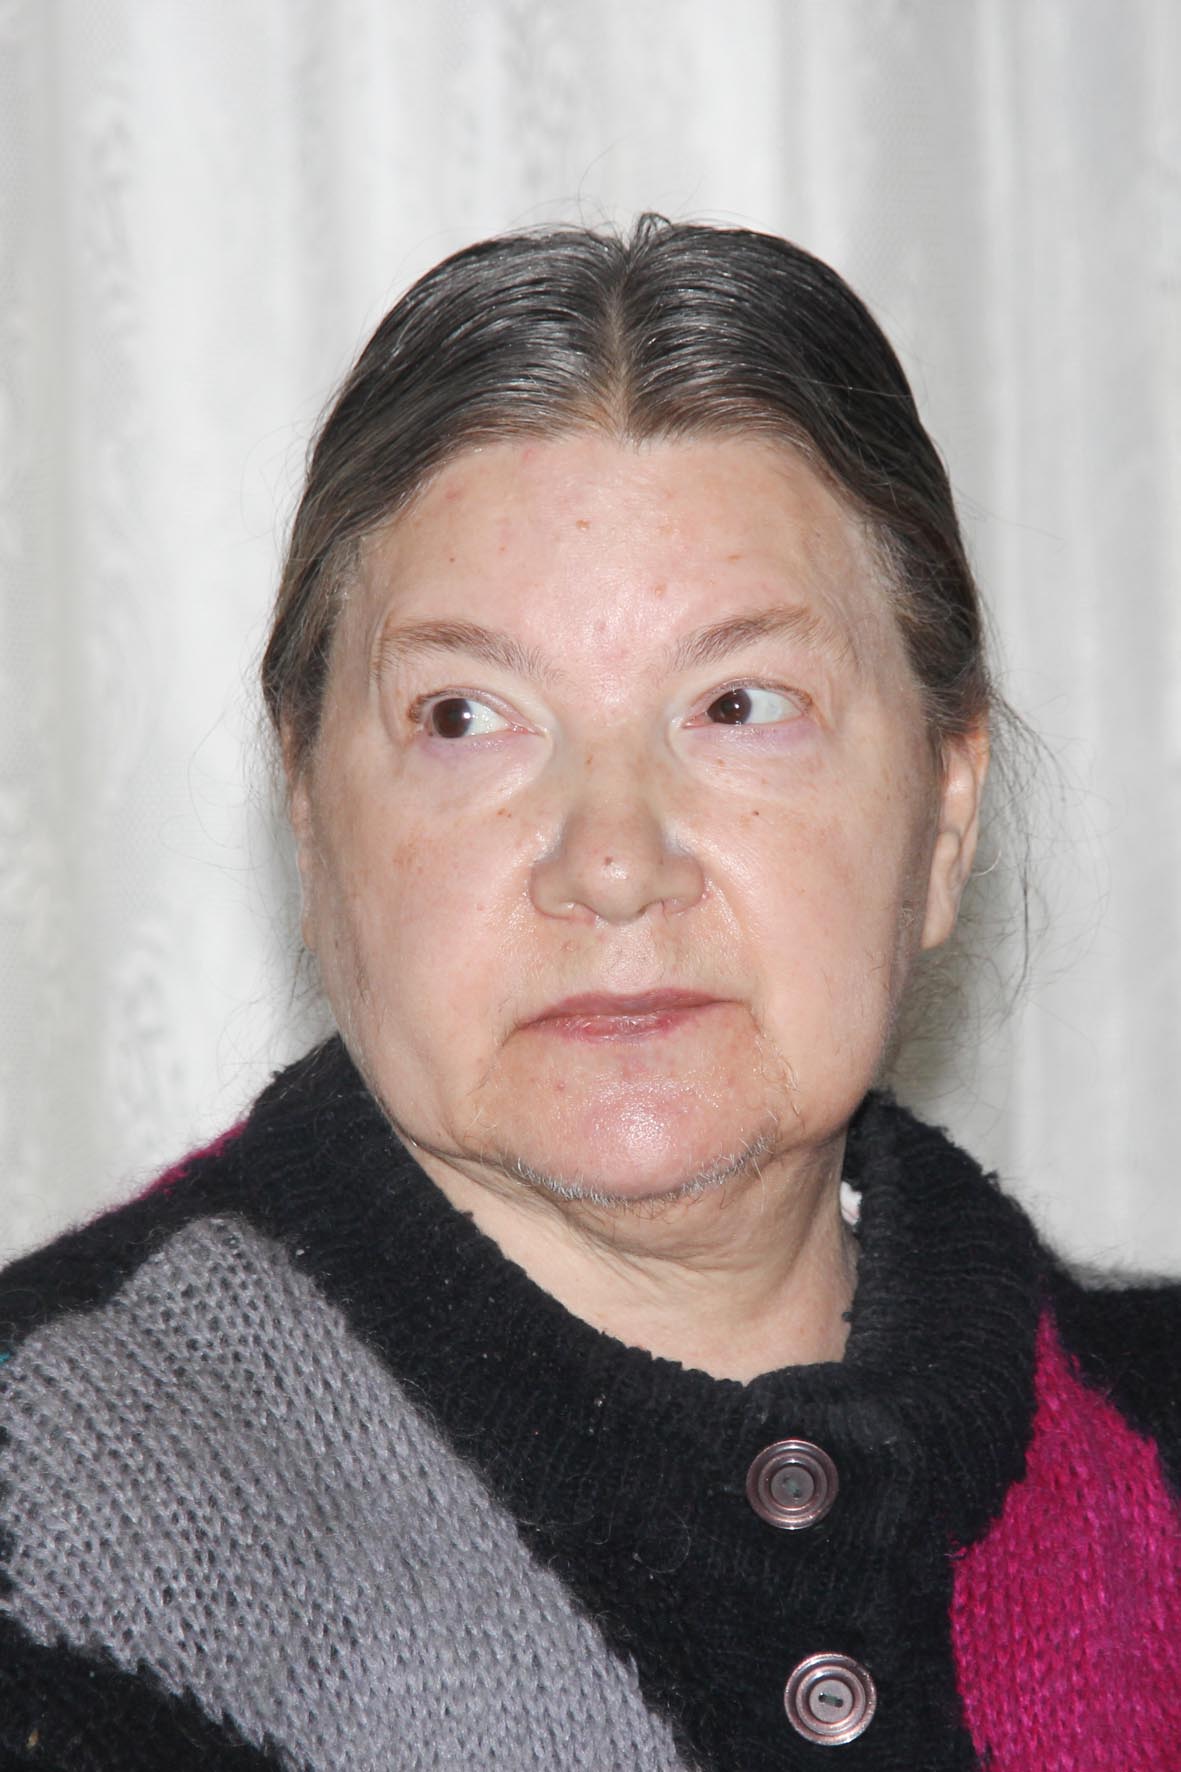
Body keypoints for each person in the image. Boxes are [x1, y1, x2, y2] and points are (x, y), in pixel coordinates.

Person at [1, 218, 1178, 1772]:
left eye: (738, 705)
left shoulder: (1147, 1447)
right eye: (465, 717)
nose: (612, 862)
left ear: (945, 815)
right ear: (308, 816)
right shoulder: (46, 1527)